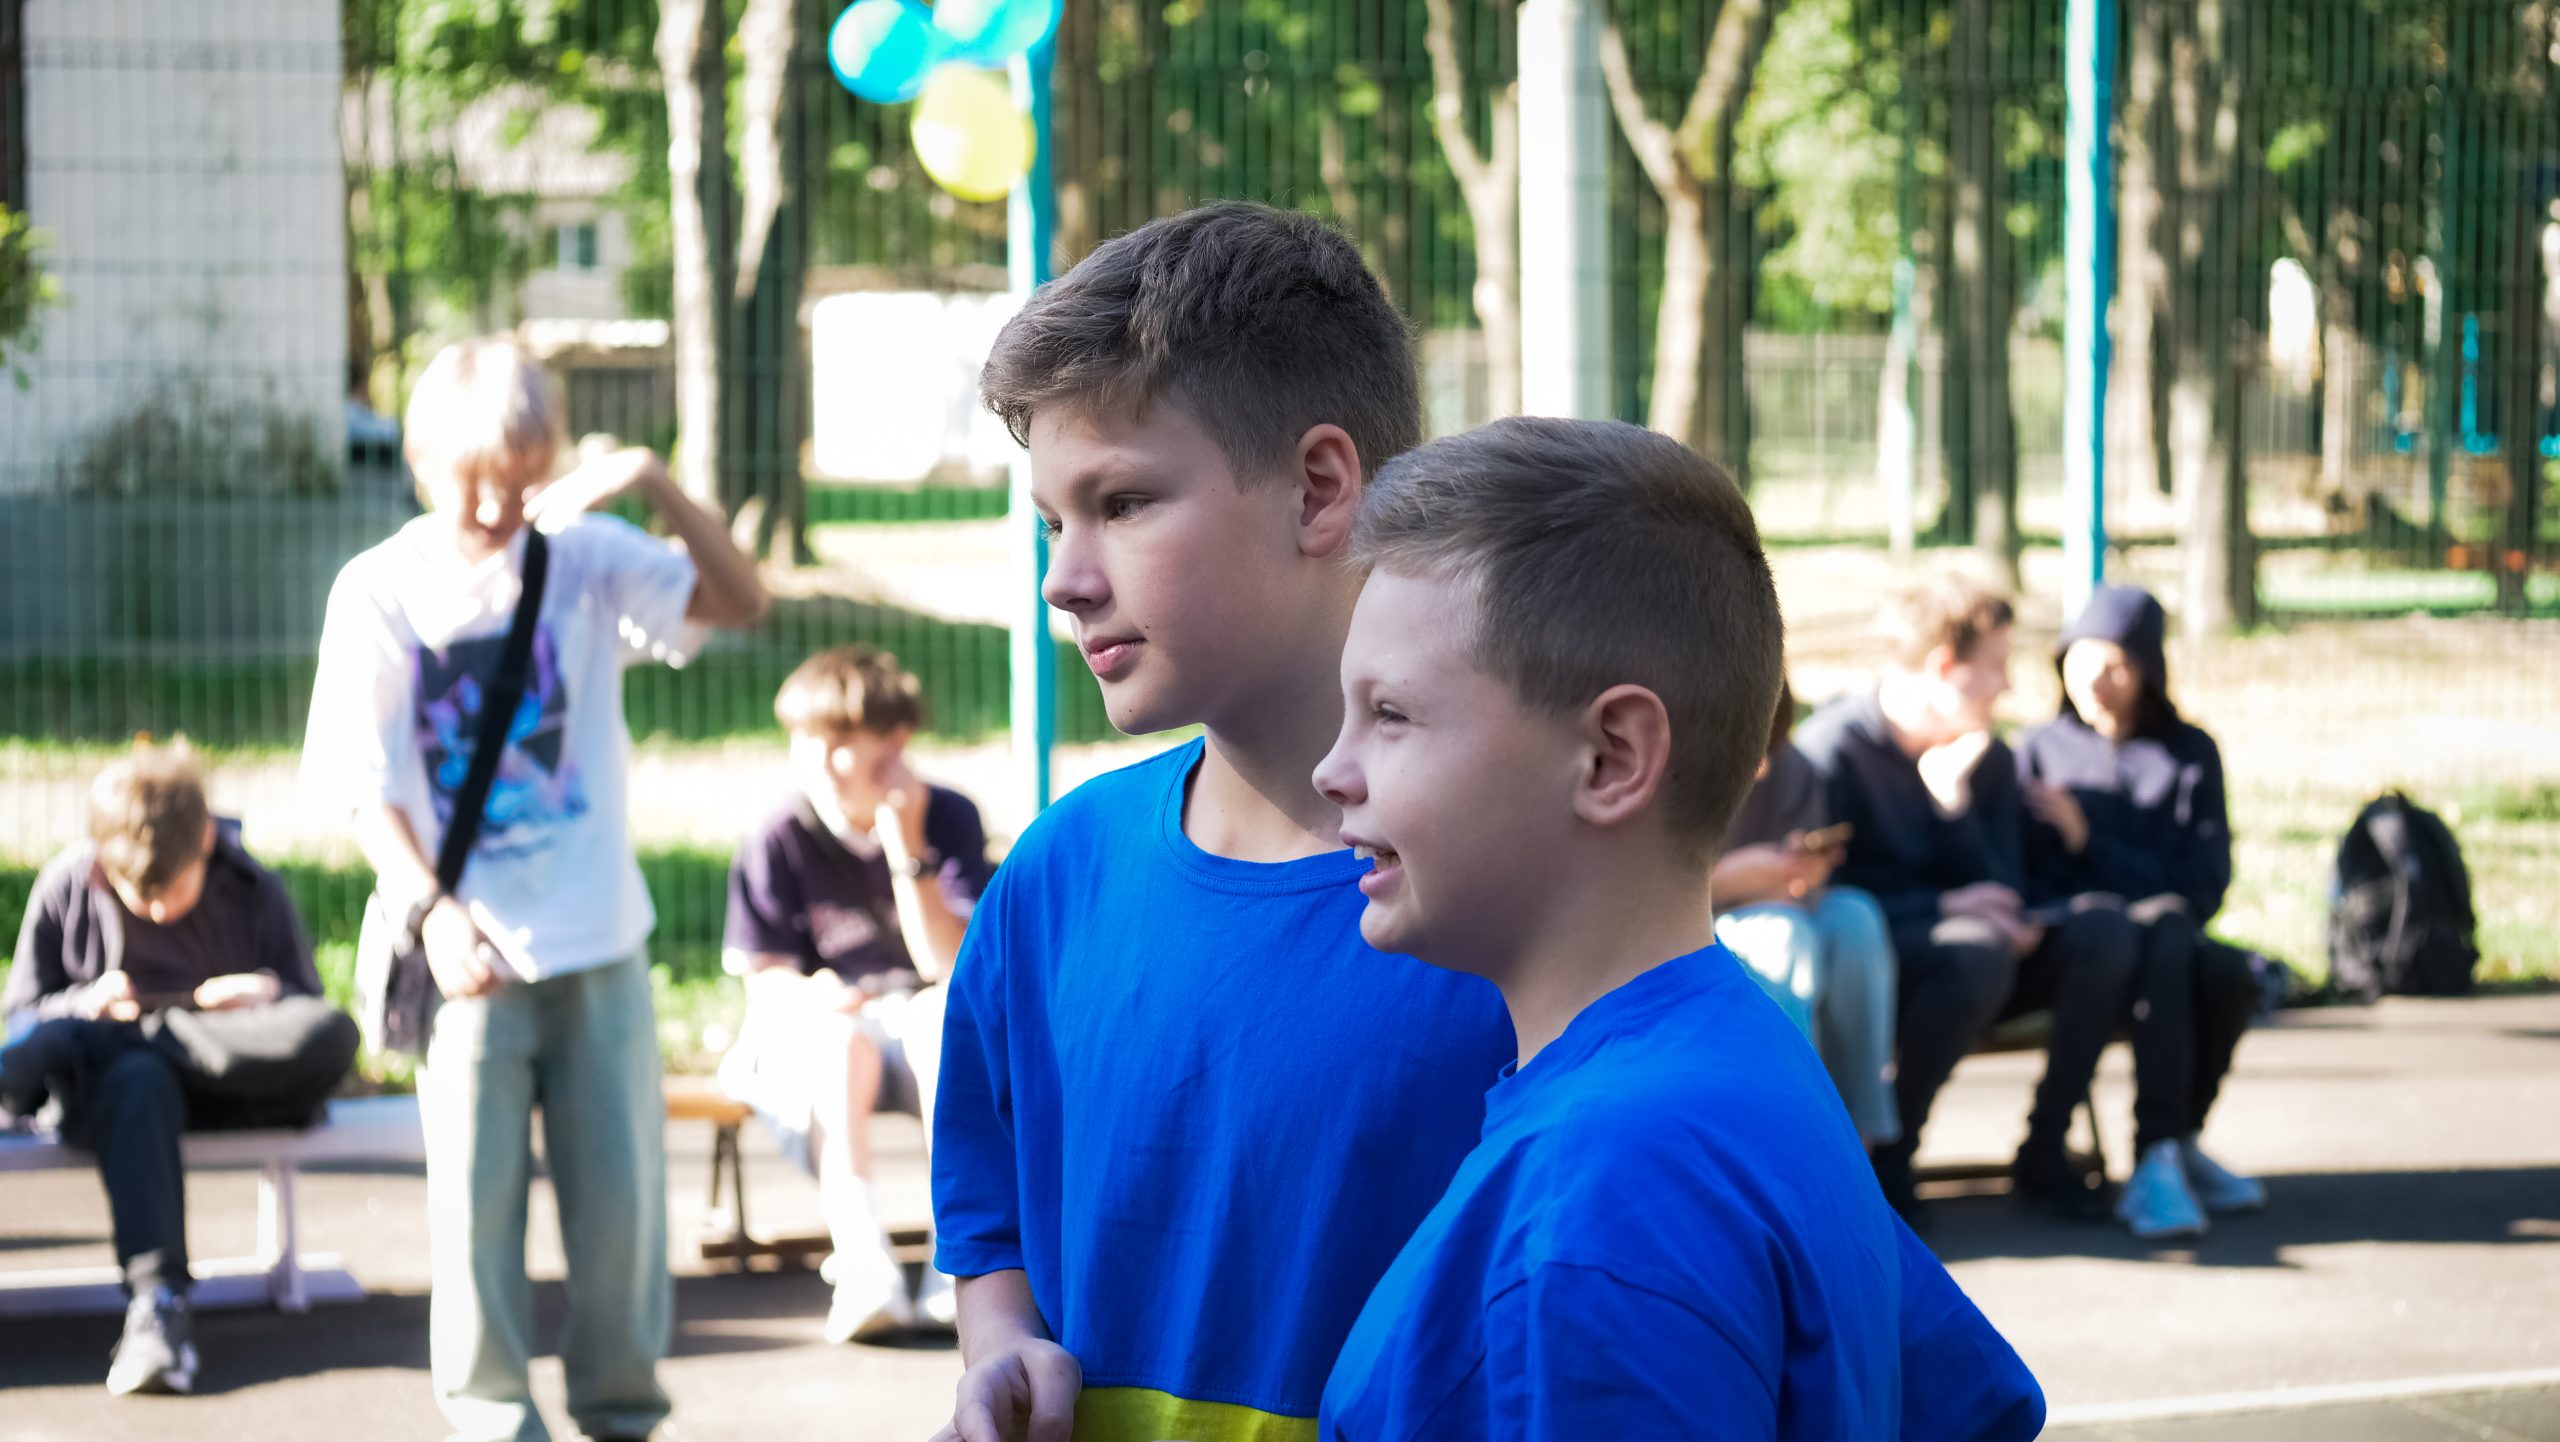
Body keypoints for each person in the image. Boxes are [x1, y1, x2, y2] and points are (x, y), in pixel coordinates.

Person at [1314, 417, 2042, 1440]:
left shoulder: (1603, 1200)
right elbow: (1969, 1405)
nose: (1332, 769)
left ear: (1612, 756)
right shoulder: (1744, 1056)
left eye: (1389, 713)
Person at [928, 202, 1518, 1442]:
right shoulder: (1054, 878)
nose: (1063, 577)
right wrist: (1002, 1344)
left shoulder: (1522, 905)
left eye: (1123, 501)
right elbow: (989, 1216)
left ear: (1319, 488)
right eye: (1050, 521)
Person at [301, 336, 768, 1442]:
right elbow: (363, 784)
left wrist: (650, 480)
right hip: (467, 952)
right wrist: (431, 908)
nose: (495, 505)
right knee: (475, 1219)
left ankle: (621, 1413)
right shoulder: (379, 589)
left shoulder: (587, 556)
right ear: (420, 461)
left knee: (623, 1221)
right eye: (472, 478)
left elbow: (742, 601)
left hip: (600, 942)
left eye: (519, 477)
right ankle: (492, 1418)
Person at [1, 740, 359, 1397]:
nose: (160, 910)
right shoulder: (67, 883)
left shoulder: (253, 887)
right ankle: (157, 1308)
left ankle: (126, 1039)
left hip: (234, 1080)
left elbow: (309, 1018)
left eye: (172, 891)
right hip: (122, 1103)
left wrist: (265, 995)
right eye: (141, 895)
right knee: (134, 1074)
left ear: (204, 842)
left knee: (330, 1030)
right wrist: (85, 1004)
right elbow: (20, 1017)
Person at [1793, 576, 2138, 1223]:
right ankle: (1889, 1158)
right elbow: (1824, 901)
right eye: (1997, 666)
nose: (2006, 686)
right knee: (1976, 952)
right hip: (1888, 964)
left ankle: (2045, 1148)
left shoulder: (1988, 756)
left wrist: (1952, 809)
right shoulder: (1831, 753)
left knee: (2104, 928)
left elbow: (2003, 882)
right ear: (1944, 667)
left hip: (1985, 957)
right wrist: (1944, 909)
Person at [719, 644, 993, 1341]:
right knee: (841, 1043)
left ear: (894, 744)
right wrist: (815, 996)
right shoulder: (779, 834)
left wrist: (906, 842)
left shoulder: (948, 817)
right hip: (823, 1036)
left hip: (917, 1028)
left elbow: (948, 964)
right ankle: (864, 1262)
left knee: (943, 1021)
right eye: (805, 740)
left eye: (840, 741)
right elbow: (766, 980)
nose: (817, 760)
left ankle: (956, 1265)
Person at [2017, 584, 2266, 1239]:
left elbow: (2202, 884)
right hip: (2079, 951)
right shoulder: (2038, 750)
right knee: (2153, 930)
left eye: (2117, 666)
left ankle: (2172, 1144)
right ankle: (2152, 1152)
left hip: (2168, 948)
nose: (2096, 682)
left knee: (2222, 969)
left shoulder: (2190, 754)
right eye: (2083, 662)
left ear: (2149, 671)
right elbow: (2029, 879)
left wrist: (2088, 840)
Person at [1713, 674, 1902, 1149]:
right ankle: (1801, 1133)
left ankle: (1862, 1134)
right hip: (1701, 921)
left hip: (1785, 909)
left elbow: (1803, 878)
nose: (1761, 770)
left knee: (1855, 917)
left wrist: (1803, 871)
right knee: (1783, 935)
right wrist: (1728, 879)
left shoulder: (1794, 765)